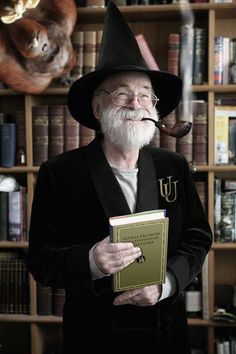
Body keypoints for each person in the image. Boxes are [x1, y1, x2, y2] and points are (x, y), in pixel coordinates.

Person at [27, 2, 213, 354]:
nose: (135, 104)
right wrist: (91, 260)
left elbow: (198, 238)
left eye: (145, 95)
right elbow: (41, 260)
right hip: (94, 336)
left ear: (155, 109)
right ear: (98, 108)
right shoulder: (59, 173)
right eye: (123, 94)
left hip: (166, 333)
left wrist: (167, 283)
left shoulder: (174, 166)